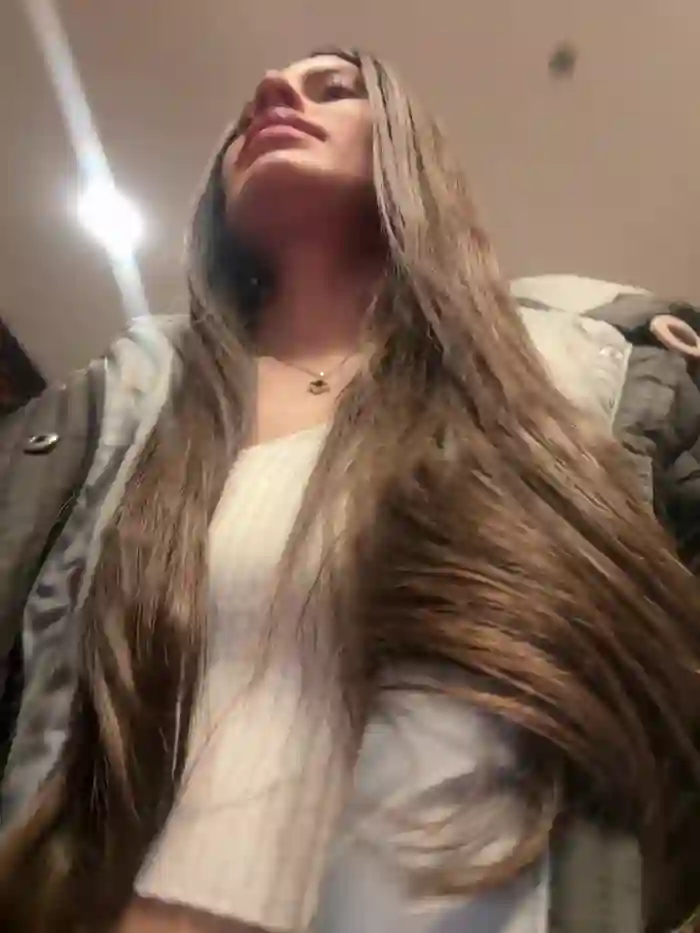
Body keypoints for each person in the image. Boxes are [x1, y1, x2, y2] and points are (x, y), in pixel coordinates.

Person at [0, 47, 699, 933]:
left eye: (335, 89)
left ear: (408, 148)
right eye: (254, 106)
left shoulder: (584, 384)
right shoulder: (116, 414)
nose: (274, 92)